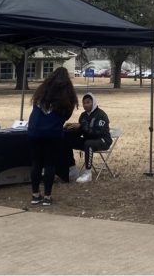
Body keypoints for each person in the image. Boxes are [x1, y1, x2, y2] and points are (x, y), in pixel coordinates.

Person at [27, 67, 78, 206]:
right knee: (50, 164)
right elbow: (67, 115)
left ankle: (35, 194)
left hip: (35, 132)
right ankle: (48, 197)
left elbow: (35, 111)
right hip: (53, 134)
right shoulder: (67, 97)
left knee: (36, 163)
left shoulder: (41, 94)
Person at [66, 92, 112, 183]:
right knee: (67, 141)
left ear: (93, 102)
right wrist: (71, 128)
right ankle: (72, 169)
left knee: (88, 144)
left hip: (102, 140)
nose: (85, 105)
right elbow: (82, 131)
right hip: (89, 139)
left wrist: (81, 126)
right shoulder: (83, 115)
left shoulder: (101, 115)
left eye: (88, 102)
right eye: (84, 103)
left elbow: (97, 133)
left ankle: (88, 173)